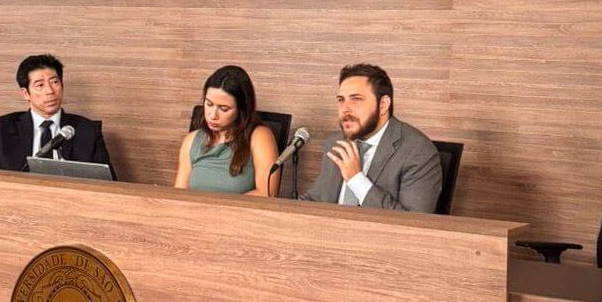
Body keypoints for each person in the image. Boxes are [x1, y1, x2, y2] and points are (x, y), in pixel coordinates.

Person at [301, 63, 441, 212]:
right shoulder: (336, 142)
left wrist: (356, 179)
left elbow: (412, 221)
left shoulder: (418, 152)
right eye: (341, 100)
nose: (345, 109)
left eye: (356, 99)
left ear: (383, 105)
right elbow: (315, 199)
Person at [0, 54, 114, 176]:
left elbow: (110, 183)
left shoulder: (88, 130)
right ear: (26, 93)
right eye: (40, 85)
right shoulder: (2, 127)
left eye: (55, 82)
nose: (50, 91)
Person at [174, 65, 280, 196]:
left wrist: (215, 206)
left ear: (242, 109)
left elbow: (267, 193)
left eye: (224, 109)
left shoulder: (259, 136)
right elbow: (179, 195)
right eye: (209, 104)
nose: (213, 115)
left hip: (238, 210)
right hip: (193, 208)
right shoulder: (191, 140)